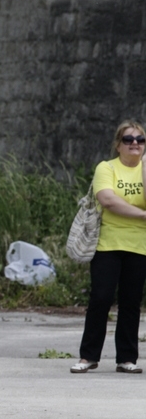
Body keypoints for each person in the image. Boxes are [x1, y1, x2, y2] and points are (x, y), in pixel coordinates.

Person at [71, 120, 146, 374]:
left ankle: (126, 358)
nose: (134, 143)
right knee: (101, 298)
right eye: (128, 139)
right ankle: (88, 356)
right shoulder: (107, 167)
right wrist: (142, 215)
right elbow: (108, 200)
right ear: (118, 144)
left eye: (140, 139)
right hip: (107, 243)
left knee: (131, 302)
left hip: (139, 245)